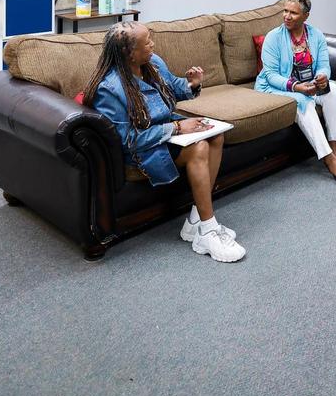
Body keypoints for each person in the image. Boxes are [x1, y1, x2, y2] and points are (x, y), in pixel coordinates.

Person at [83, 21, 244, 263]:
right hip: (144, 146)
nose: (152, 44)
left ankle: (195, 222)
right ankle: (208, 231)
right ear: (129, 53)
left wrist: (193, 84)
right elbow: (128, 140)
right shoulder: (110, 89)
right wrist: (177, 127)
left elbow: (174, 87)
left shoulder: (152, 63)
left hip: (166, 129)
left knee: (215, 134)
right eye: (146, 42)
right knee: (198, 147)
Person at [256, 0, 336, 183]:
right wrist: (297, 87)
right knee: (302, 102)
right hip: (279, 87)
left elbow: (324, 65)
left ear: (306, 16)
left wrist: (322, 77)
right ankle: (328, 157)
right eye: (285, 11)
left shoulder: (316, 35)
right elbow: (270, 75)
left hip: (309, 83)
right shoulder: (273, 37)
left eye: (293, 13)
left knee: (332, 90)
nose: (287, 16)